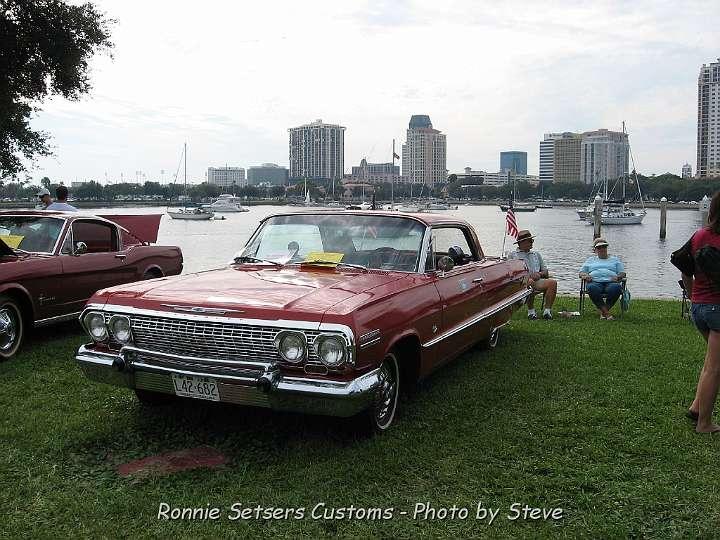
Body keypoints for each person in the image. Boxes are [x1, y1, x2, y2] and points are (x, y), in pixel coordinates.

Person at [683, 191, 720, 434]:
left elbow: (684, 268)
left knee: (712, 363)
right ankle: (704, 423)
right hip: (717, 309)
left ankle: (697, 407)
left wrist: (691, 294)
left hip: (699, 307)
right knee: (714, 367)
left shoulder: (698, 236)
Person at [509, 229, 557, 320]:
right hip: (521, 282)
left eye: (532, 240)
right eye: (530, 241)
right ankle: (531, 311)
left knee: (552, 283)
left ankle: (547, 311)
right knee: (529, 282)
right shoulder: (513, 255)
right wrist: (529, 276)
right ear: (522, 243)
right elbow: (511, 274)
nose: (532, 243)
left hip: (536, 280)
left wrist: (539, 274)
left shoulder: (536, 254)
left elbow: (545, 271)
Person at [579, 238, 626, 320]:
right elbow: (581, 273)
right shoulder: (590, 260)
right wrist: (586, 276)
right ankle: (607, 313)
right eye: (599, 247)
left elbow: (622, 273)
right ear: (595, 250)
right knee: (592, 288)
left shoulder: (615, 260)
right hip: (595, 281)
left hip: (611, 282)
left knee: (616, 288)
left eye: (604, 247)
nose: (602, 249)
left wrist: (618, 277)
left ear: (607, 248)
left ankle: (603, 312)